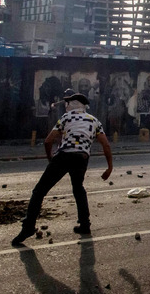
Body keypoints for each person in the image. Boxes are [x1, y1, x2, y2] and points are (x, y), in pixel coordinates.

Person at [12, 90, 114, 245]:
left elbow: (48, 141)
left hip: (64, 156)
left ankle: (28, 227)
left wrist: (50, 159)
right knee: (78, 188)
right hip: (82, 158)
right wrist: (109, 167)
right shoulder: (94, 121)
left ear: (71, 105)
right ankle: (85, 225)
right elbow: (106, 144)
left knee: (39, 191)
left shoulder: (66, 117)